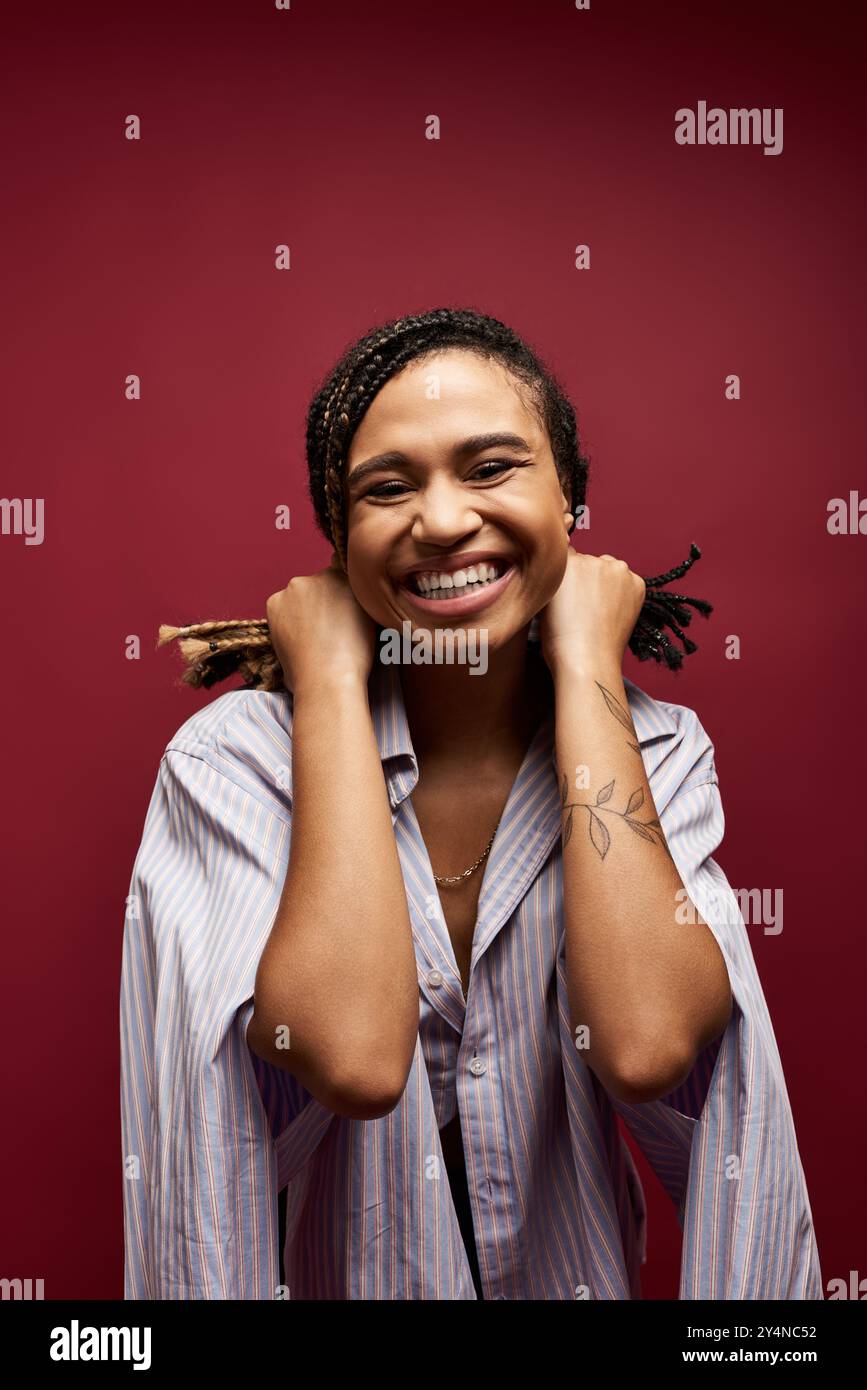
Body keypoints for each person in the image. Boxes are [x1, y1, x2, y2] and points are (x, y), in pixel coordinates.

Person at [120, 307, 822, 1299]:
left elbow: (647, 1041)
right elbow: (357, 1060)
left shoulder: (655, 748)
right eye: (387, 487)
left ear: (571, 498)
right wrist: (324, 684)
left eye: (491, 468)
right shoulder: (232, 764)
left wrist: (587, 658)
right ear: (338, 534)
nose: (444, 521)